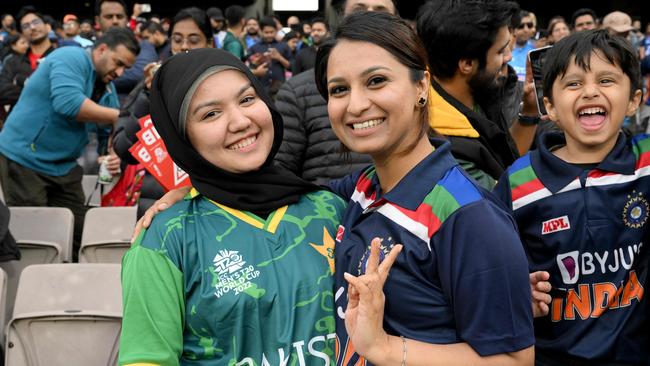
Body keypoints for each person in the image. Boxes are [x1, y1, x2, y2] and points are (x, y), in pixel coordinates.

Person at [313, 11, 534, 365]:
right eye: (339, 89)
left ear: (421, 86)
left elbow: (514, 360)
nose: (355, 105)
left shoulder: (468, 216)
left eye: (376, 81)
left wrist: (386, 349)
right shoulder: (361, 188)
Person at [118, 48, 347, 365]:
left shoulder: (329, 208)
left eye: (248, 99)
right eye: (210, 114)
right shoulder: (166, 239)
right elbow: (146, 358)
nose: (241, 121)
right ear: (181, 137)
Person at [493, 29, 647, 365]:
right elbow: (492, 271)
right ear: (549, 106)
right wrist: (517, 290)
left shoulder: (646, 163)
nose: (590, 92)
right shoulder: (519, 183)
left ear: (635, 99)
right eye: (573, 83)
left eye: (606, 80)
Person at [0, 27, 138, 257]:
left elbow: (108, 131)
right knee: (37, 238)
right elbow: (69, 105)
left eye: (127, 68)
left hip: (63, 166)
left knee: (79, 230)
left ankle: (71, 282)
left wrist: (111, 155)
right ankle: (34, 286)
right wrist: (117, 115)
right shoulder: (70, 57)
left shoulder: (107, 87)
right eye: (118, 62)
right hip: (24, 160)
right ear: (102, 49)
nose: (121, 72)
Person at [417, 0, 539, 189]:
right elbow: (504, 197)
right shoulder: (440, 146)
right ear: (467, 64)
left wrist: (529, 112)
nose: (509, 57)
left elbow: (505, 159)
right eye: (500, 51)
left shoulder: (479, 90)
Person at [274, 0, 396, 184]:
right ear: (341, 17)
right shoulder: (297, 92)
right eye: (359, 10)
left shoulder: (415, 83)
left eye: (381, 11)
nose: (357, 106)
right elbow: (280, 175)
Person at [112, 7, 213, 218]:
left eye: (194, 40)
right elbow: (124, 148)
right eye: (177, 39)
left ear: (209, 43)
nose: (184, 46)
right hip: (156, 205)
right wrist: (149, 96)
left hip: (211, 203)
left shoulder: (225, 86)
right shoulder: (148, 86)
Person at [0, 6, 54, 110]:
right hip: (18, 123)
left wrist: (21, 83)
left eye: (36, 22)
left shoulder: (60, 57)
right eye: (25, 26)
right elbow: (2, 91)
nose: (32, 27)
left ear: (47, 26)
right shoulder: (12, 61)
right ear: (22, 34)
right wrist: (40, 91)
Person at [248, 16, 292, 96]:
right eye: (266, 32)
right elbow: (249, 68)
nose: (269, 35)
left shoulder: (284, 46)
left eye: (272, 32)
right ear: (260, 31)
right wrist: (256, 62)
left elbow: (291, 67)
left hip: (280, 88)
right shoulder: (254, 48)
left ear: (276, 31)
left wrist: (279, 57)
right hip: (261, 88)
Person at [510, 10, 536, 81]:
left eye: (529, 25)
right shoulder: (505, 49)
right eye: (521, 26)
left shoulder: (536, 49)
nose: (526, 29)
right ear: (513, 28)